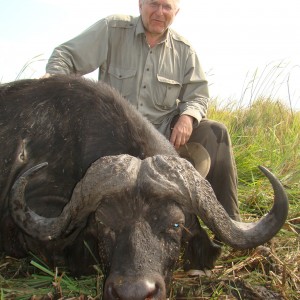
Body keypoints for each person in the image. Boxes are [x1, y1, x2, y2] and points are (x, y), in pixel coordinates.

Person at [44, 0, 240, 221]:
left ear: (176, 11)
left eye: (167, 7)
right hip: (113, 140)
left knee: (216, 132)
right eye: (153, 4)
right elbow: (64, 56)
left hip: (163, 142)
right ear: (140, 5)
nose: (159, 12)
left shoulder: (184, 50)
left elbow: (198, 95)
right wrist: (53, 82)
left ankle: (231, 224)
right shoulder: (112, 29)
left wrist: (188, 116)